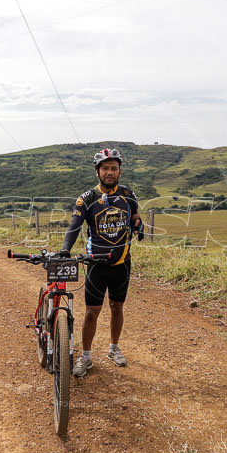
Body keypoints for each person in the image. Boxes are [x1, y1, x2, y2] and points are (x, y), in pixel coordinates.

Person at [57, 148, 144, 377]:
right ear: (98, 172)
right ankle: (85, 357)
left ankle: (114, 348)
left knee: (117, 307)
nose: (109, 172)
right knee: (91, 312)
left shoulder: (128, 194)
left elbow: (135, 218)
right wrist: (66, 249)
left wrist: (138, 226)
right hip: (96, 263)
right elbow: (74, 227)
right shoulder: (86, 199)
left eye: (113, 168)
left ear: (119, 171)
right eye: (105, 168)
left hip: (122, 263)